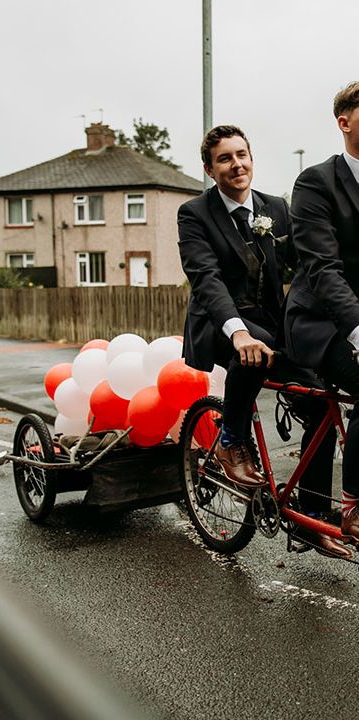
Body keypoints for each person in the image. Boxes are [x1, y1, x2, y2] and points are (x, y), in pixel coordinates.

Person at [178, 125, 349, 559]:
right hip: (222, 326)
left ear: (251, 158)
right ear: (209, 168)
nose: (236, 164)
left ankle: (310, 519)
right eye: (224, 158)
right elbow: (206, 279)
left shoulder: (275, 208)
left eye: (242, 155)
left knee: (317, 400)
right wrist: (236, 330)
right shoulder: (194, 213)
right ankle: (232, 437)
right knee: (252, 351)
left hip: (275, 327)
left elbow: (306, 265)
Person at [284, 81, 359, 548]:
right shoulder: (316, 182)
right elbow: (323, 268)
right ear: (344, 122)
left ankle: (314, 506)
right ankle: (353, 508)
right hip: (320, 322)